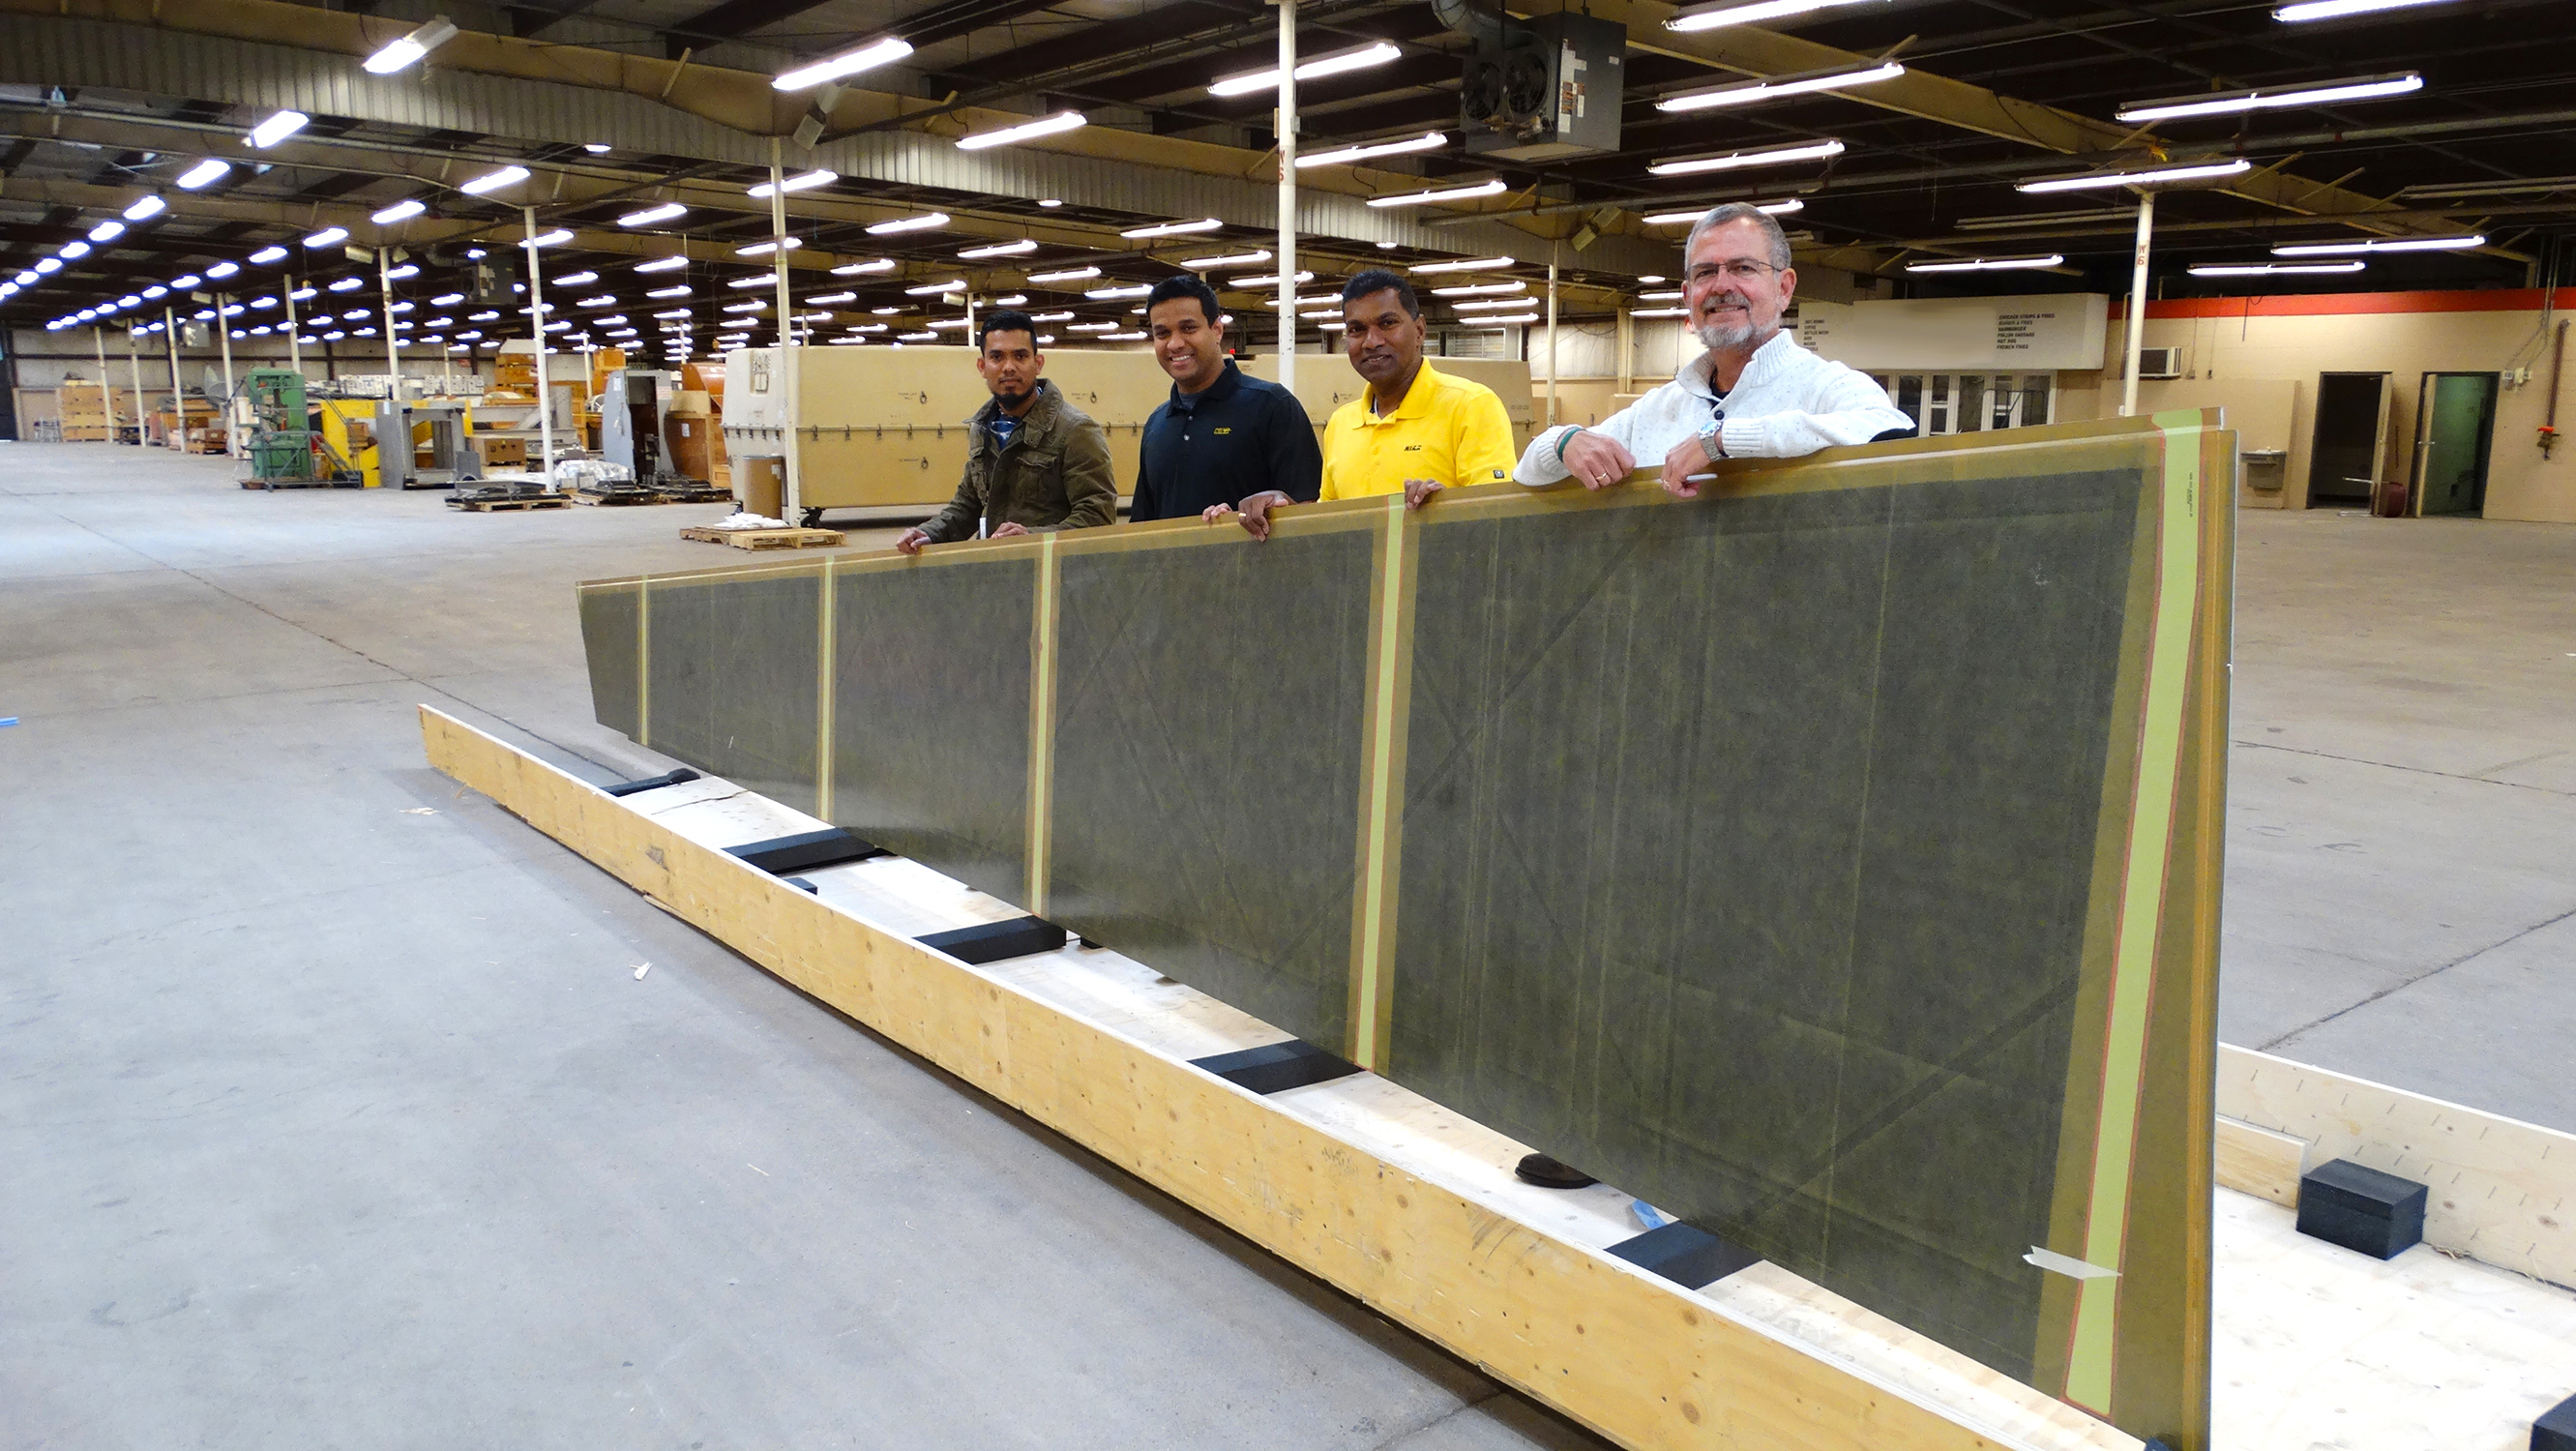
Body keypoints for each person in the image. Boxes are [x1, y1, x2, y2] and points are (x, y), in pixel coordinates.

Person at [1514, 202, 1912, 497]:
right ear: (1688, 295)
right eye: (1706, 272)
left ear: (1784, 288)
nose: (1722, 286)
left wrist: (1723, 441)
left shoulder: (1827, 387)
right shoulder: (1659, 409)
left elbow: (1889, 433)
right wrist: (1566, 442)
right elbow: (1526, 475)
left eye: (1743, 268)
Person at [1215, 268, 1517, 541]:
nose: (1371, 341)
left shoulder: (1471, 406)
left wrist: (1443, 507)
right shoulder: (1342, 424)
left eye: (1387, 323)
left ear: (1420, 331)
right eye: (1357, 329)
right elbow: (1332, 524)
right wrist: (1281, 510)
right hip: (1360, 595)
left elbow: (1500, 520)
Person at [894, 310, 1116, 554]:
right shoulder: (983, 428)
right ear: (982, 365)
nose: (1008, 367)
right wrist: (929, 533)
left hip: (1053, 574)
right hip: (996, 571)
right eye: (997, 357)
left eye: (1020, 356)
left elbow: (1097, 517)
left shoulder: (1075, 430)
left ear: (1038, 363)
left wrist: (1030, 538)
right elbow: (968, 505)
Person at [1130, 274, 1321, 522]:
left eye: (1189, 328)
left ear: (1217, 330)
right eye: (1163, 333)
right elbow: (1143, 525)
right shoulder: (1157, 424)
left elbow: (1309, 514)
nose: (1175, 344)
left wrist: (1242, 520)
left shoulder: (1273, 407)